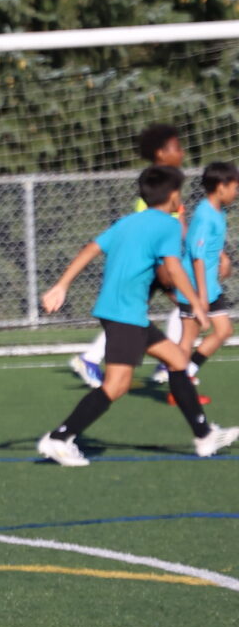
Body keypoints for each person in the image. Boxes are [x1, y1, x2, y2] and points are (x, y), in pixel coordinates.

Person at [36, 166, 239, 465]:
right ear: (173, 196)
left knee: (178, 360)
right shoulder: (168, 226)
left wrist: (62, 285)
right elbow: (172, 267)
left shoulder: (128, 222)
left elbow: (91, 248)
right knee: (116, 385)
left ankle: (204, 435)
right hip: (125, 315)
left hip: (126, 313)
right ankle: (59, 438)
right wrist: (196, 302)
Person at [72, 124, 186, 387]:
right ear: (160, 153)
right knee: (182, 305)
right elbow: (153, 224)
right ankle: (167, 364)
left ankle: (92, 358)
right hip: (152, 261)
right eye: (176, 148)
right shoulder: (158, 186)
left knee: (139, 314)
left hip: (156, 258)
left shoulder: (167, 180)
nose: (181, 152)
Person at [176, 160, 233, 381]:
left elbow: (208, 245)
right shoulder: (204, 215)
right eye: (234, 187)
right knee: (188, 339)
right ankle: (179, 386)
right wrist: (200, 296)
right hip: (194, 287)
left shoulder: (219, 213)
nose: (236, 192)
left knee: (224, 330)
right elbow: (197, 257)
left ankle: (187, 375)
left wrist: (223, 257)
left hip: (209, 287)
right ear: (221, 186)